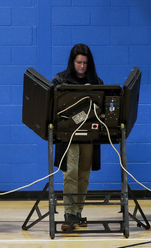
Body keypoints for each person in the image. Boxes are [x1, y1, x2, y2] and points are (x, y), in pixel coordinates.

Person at [52, 43, 102, 231]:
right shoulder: (60, 80)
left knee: (84, 173)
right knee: (70, 172)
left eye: (85, 63)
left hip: (89, 136)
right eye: (78, 62)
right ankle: (69, 212)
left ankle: (78, 210)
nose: (81, 66)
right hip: (69, 136)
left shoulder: (97, 82)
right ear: (72, 62)